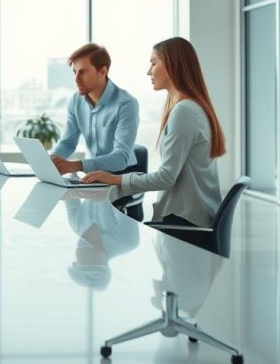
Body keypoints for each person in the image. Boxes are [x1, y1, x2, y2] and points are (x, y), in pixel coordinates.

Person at [82, 37, 226, 227]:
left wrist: (114, 179)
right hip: (191, 216)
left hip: (186, 222)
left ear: (171, 65)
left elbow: (166, 178)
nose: (148, 71)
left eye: (153, 63)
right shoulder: (190, 107)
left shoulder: (185, 112)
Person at [50, 43, 140, 175]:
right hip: (91, 176)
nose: (76, 79)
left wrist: (77, 165)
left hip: (122, 177)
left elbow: (121, 158)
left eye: (83, 72)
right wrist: (50, 160)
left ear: (102, 71)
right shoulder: (75, 101)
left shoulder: (127, 104)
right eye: (75, 72)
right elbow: (68, 143)